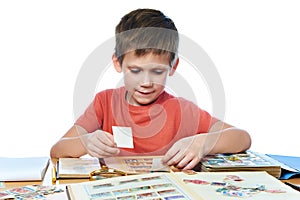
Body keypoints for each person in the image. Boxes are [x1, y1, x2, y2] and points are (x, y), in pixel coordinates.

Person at [50, 8, 251, 170]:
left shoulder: (181, 109)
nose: (146, 82)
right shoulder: (104, 103)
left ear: (173, 67)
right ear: (118, 63)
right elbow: (57, 150)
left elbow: (242, 138)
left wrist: (202, 142)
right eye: (135, 70)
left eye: (157, 71)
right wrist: (86, 142)